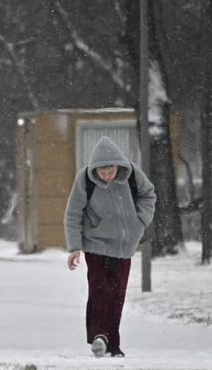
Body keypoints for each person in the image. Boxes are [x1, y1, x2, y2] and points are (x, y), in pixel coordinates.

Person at [64, 136, 156, 358]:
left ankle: (113, 343)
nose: (106, 176)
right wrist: (75, 246)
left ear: (118, 167)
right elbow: (73, 214)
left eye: (110, 172)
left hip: (124, 247)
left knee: (117, 295)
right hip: (96, 245)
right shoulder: (84, 180)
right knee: (100, 290)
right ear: (95, 170)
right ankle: (99, 336)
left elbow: (148, 195)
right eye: (102, 173)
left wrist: (139, 221)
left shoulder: (132, 174)